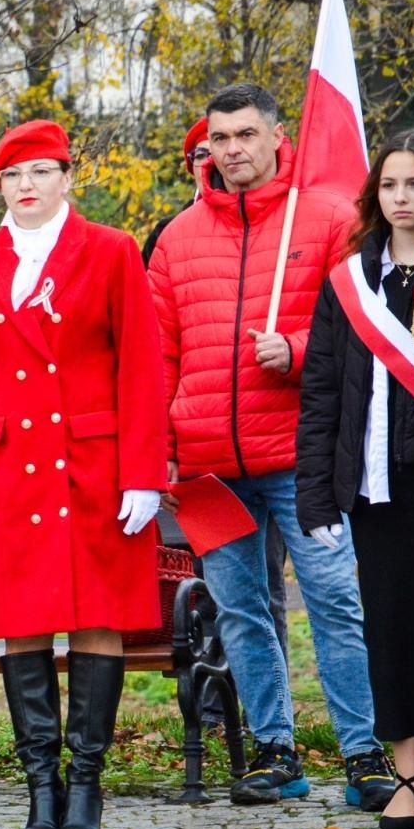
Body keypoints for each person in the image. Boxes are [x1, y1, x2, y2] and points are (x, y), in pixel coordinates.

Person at [147, 82, 391, 808]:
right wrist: (162, 444)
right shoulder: (178, 238)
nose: (232, 150)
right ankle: (275, 750)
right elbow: (158, 356)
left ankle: (365, 753)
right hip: (208, 469)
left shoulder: (324, 221)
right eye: (219, 140)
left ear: (277, 137)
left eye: (245, 135)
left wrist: (296, 346)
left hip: (300, 456)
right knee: (242, 612)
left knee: (334, 600)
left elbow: (362, 330)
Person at [0, 121, 166, 829]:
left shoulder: (110, 251)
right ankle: (42, 786)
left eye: (40, 172)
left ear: (68, 178)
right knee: (23, 623)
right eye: (13, 176)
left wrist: (144, 473)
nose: (27, 187)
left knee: (98, 618)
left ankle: (87, 782)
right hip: (7, 472)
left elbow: (141, 365)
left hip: (94, 466)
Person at [296, 129, 414, 829]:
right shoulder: (350, 281)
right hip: (374, 485)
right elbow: (321, 394)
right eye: (389, 185)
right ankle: (405, 771)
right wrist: (316, 491)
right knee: (389, 630)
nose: (401, 197)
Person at [143, 119, 292, 721]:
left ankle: (272, 722)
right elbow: (158, 348)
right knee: (218, 595)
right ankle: (218, 713)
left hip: (274, 445)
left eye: (229, 144)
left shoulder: (281, 230)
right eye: (204, 151)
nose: (220, 157)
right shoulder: (168, 237)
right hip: (203, 452)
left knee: (267, 591)